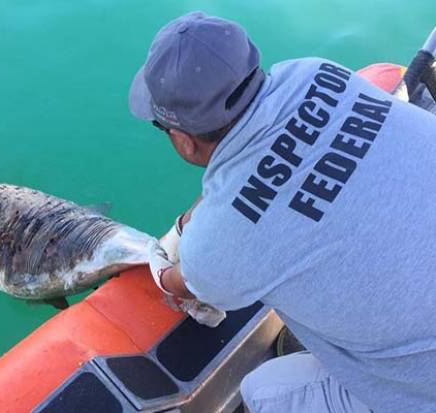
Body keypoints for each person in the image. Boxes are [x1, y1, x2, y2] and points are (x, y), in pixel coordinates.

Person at [128, 11, 436, 413]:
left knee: (263, 389)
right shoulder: (316, 72)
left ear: (185, 143)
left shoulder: (220, 243)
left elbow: (179, 283)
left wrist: (163, 265)